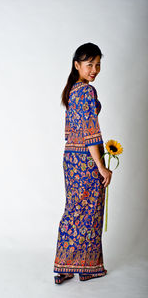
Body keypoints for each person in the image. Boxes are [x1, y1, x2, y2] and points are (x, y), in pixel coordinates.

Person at [53, 43, 112, 284]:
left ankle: (65, 266)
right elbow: (90, 131)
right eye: (90, 65)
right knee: (90, 212)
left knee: (74, 211)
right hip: (86, 160)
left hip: (70, 158)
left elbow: (70, 133)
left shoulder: (72, 91)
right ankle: (88, 268)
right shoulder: (86, 92)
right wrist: (101, 166)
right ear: (77, 65)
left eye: (98, 64)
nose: (95, 69)